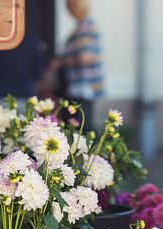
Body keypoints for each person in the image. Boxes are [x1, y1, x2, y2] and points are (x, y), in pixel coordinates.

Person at [62, 0, 105, 131]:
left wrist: (61, 61)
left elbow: (85, 57)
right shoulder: (85, 26)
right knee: (84, 125)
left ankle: (93, 151)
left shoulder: (84, 28)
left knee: (83, 127)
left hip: (83, 86)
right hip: (85, 86)